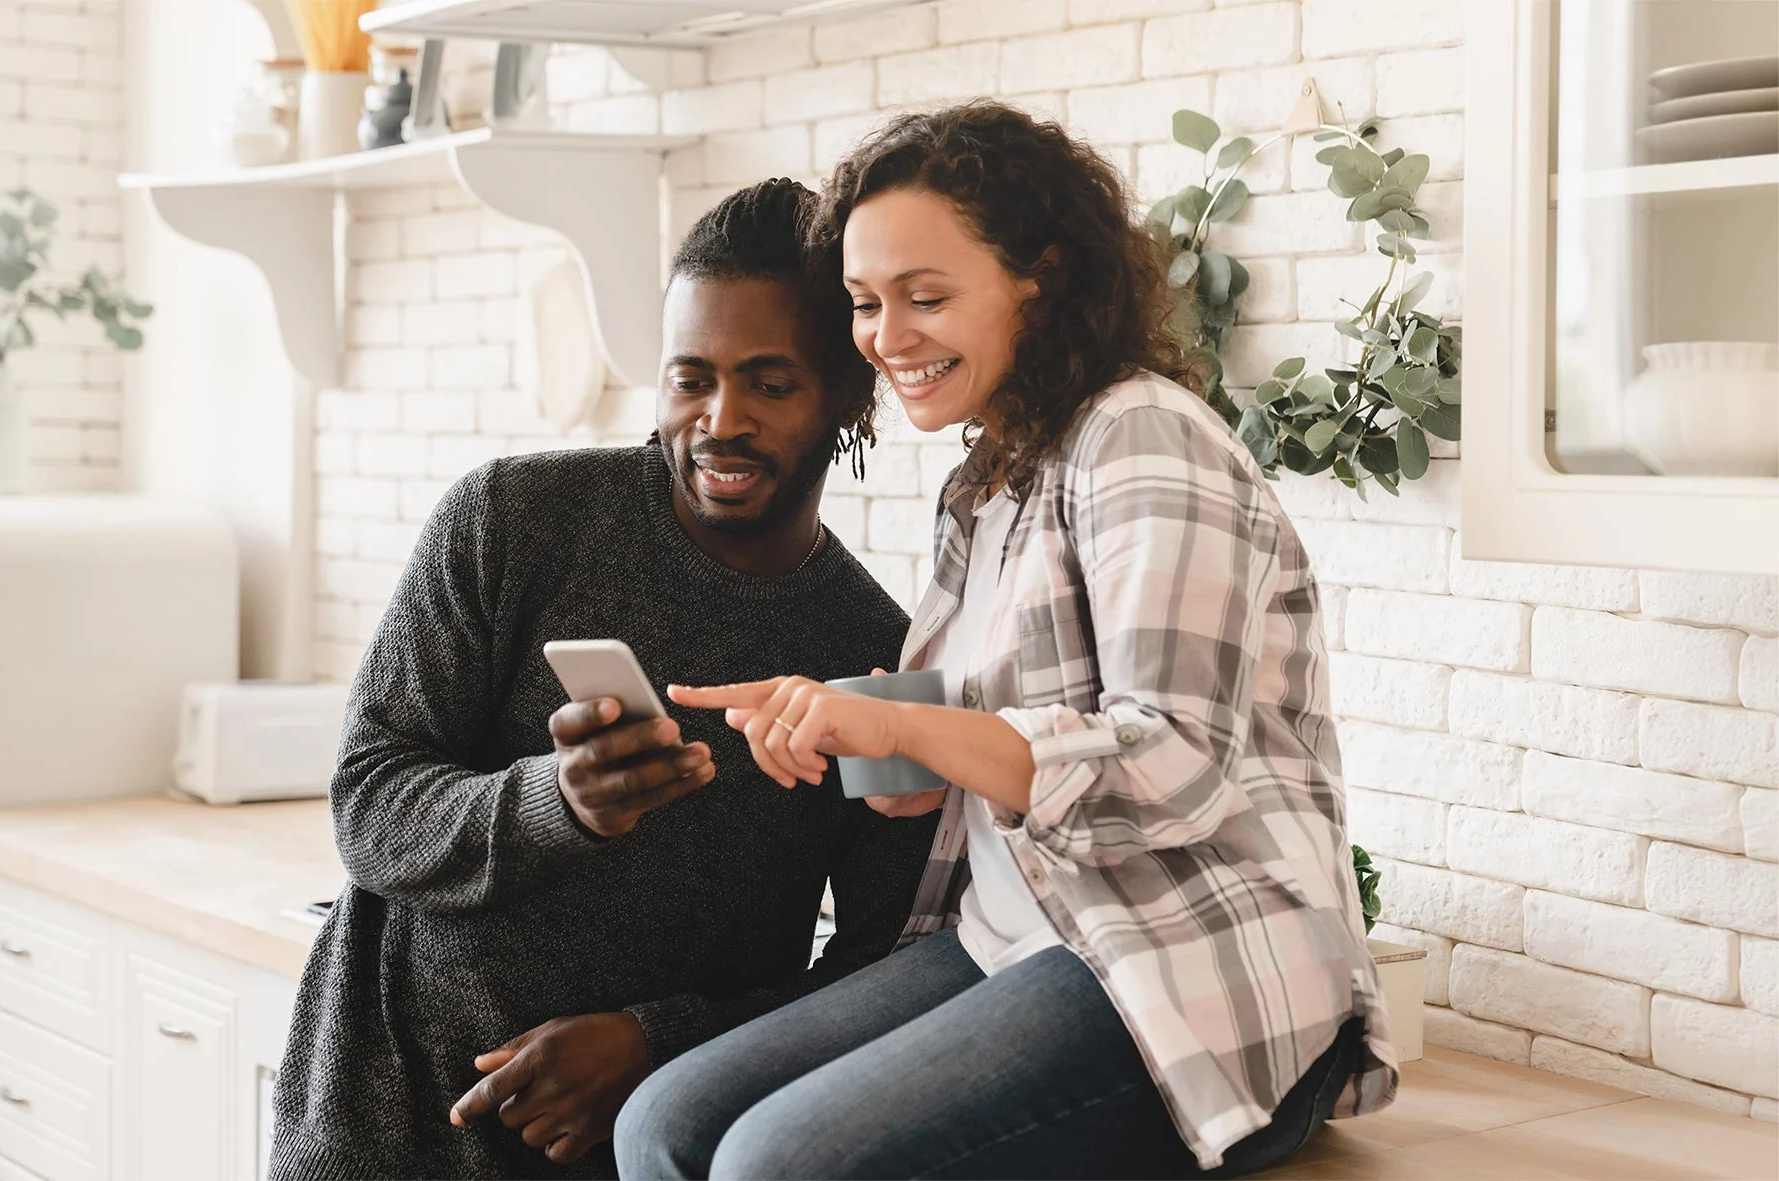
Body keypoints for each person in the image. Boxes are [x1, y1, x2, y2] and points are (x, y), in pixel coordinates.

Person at [618, 102, 1399, 1181]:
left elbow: (1171, 765)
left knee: (771, 1163)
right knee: (659, 1123)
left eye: (925, 296)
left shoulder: (1141, 433)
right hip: (1016, 937)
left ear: (1041, 275)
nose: (887, 337)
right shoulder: (985, 484)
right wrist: (849, 730)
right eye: (863, 303)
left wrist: (901, 721)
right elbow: (948, 763)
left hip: (1190, 975)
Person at [268, 179, 938, 1180]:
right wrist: (555, 800)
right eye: (690, 377)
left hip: (624, 1154)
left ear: (849, 392)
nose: (721, 420)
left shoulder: (874, 655)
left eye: (771, 381)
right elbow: (367, 802)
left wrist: (653, 1043)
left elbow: (884, 966)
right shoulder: (512, 520)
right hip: (381, 1126)